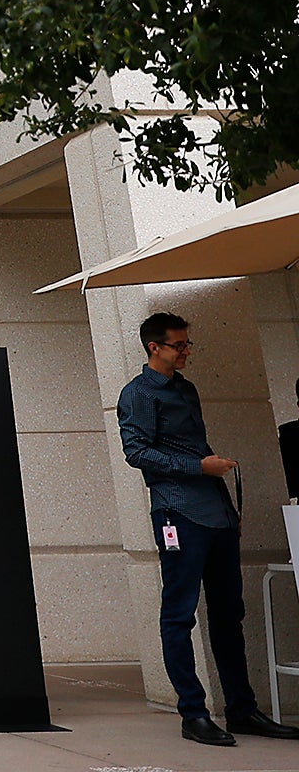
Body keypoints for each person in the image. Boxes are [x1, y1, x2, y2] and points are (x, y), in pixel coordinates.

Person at [118, 312, 299, 745]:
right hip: (177, 512)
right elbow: (136, 452)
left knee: (228, 613)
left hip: (214, 513)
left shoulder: (186, 389)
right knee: (179, 614)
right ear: (154, 348)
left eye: (187, 344)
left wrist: (225, 503)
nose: (186, 351)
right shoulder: (139, 394)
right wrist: (198, 467)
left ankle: (241, 709)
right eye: (178, 345)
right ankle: (193, 713)